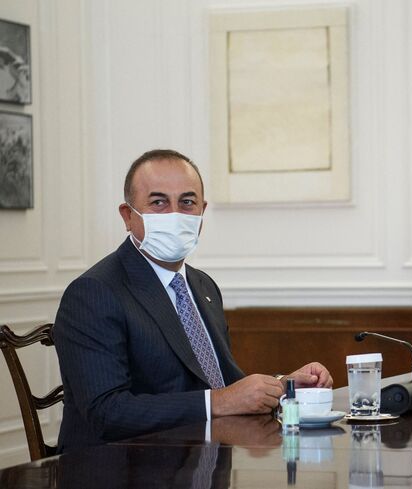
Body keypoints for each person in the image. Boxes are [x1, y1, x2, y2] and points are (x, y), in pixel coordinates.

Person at [53, 149, 333, 452]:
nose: (175, 214)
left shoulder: (202, 285)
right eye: (159, 202)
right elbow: (107, 413)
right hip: (125, 468)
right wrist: (220, 401)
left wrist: (283, 386)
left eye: (187, 202)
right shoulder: (93, 293)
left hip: (200, 459)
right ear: (128, 215)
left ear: (202, 212)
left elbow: (225, 383)